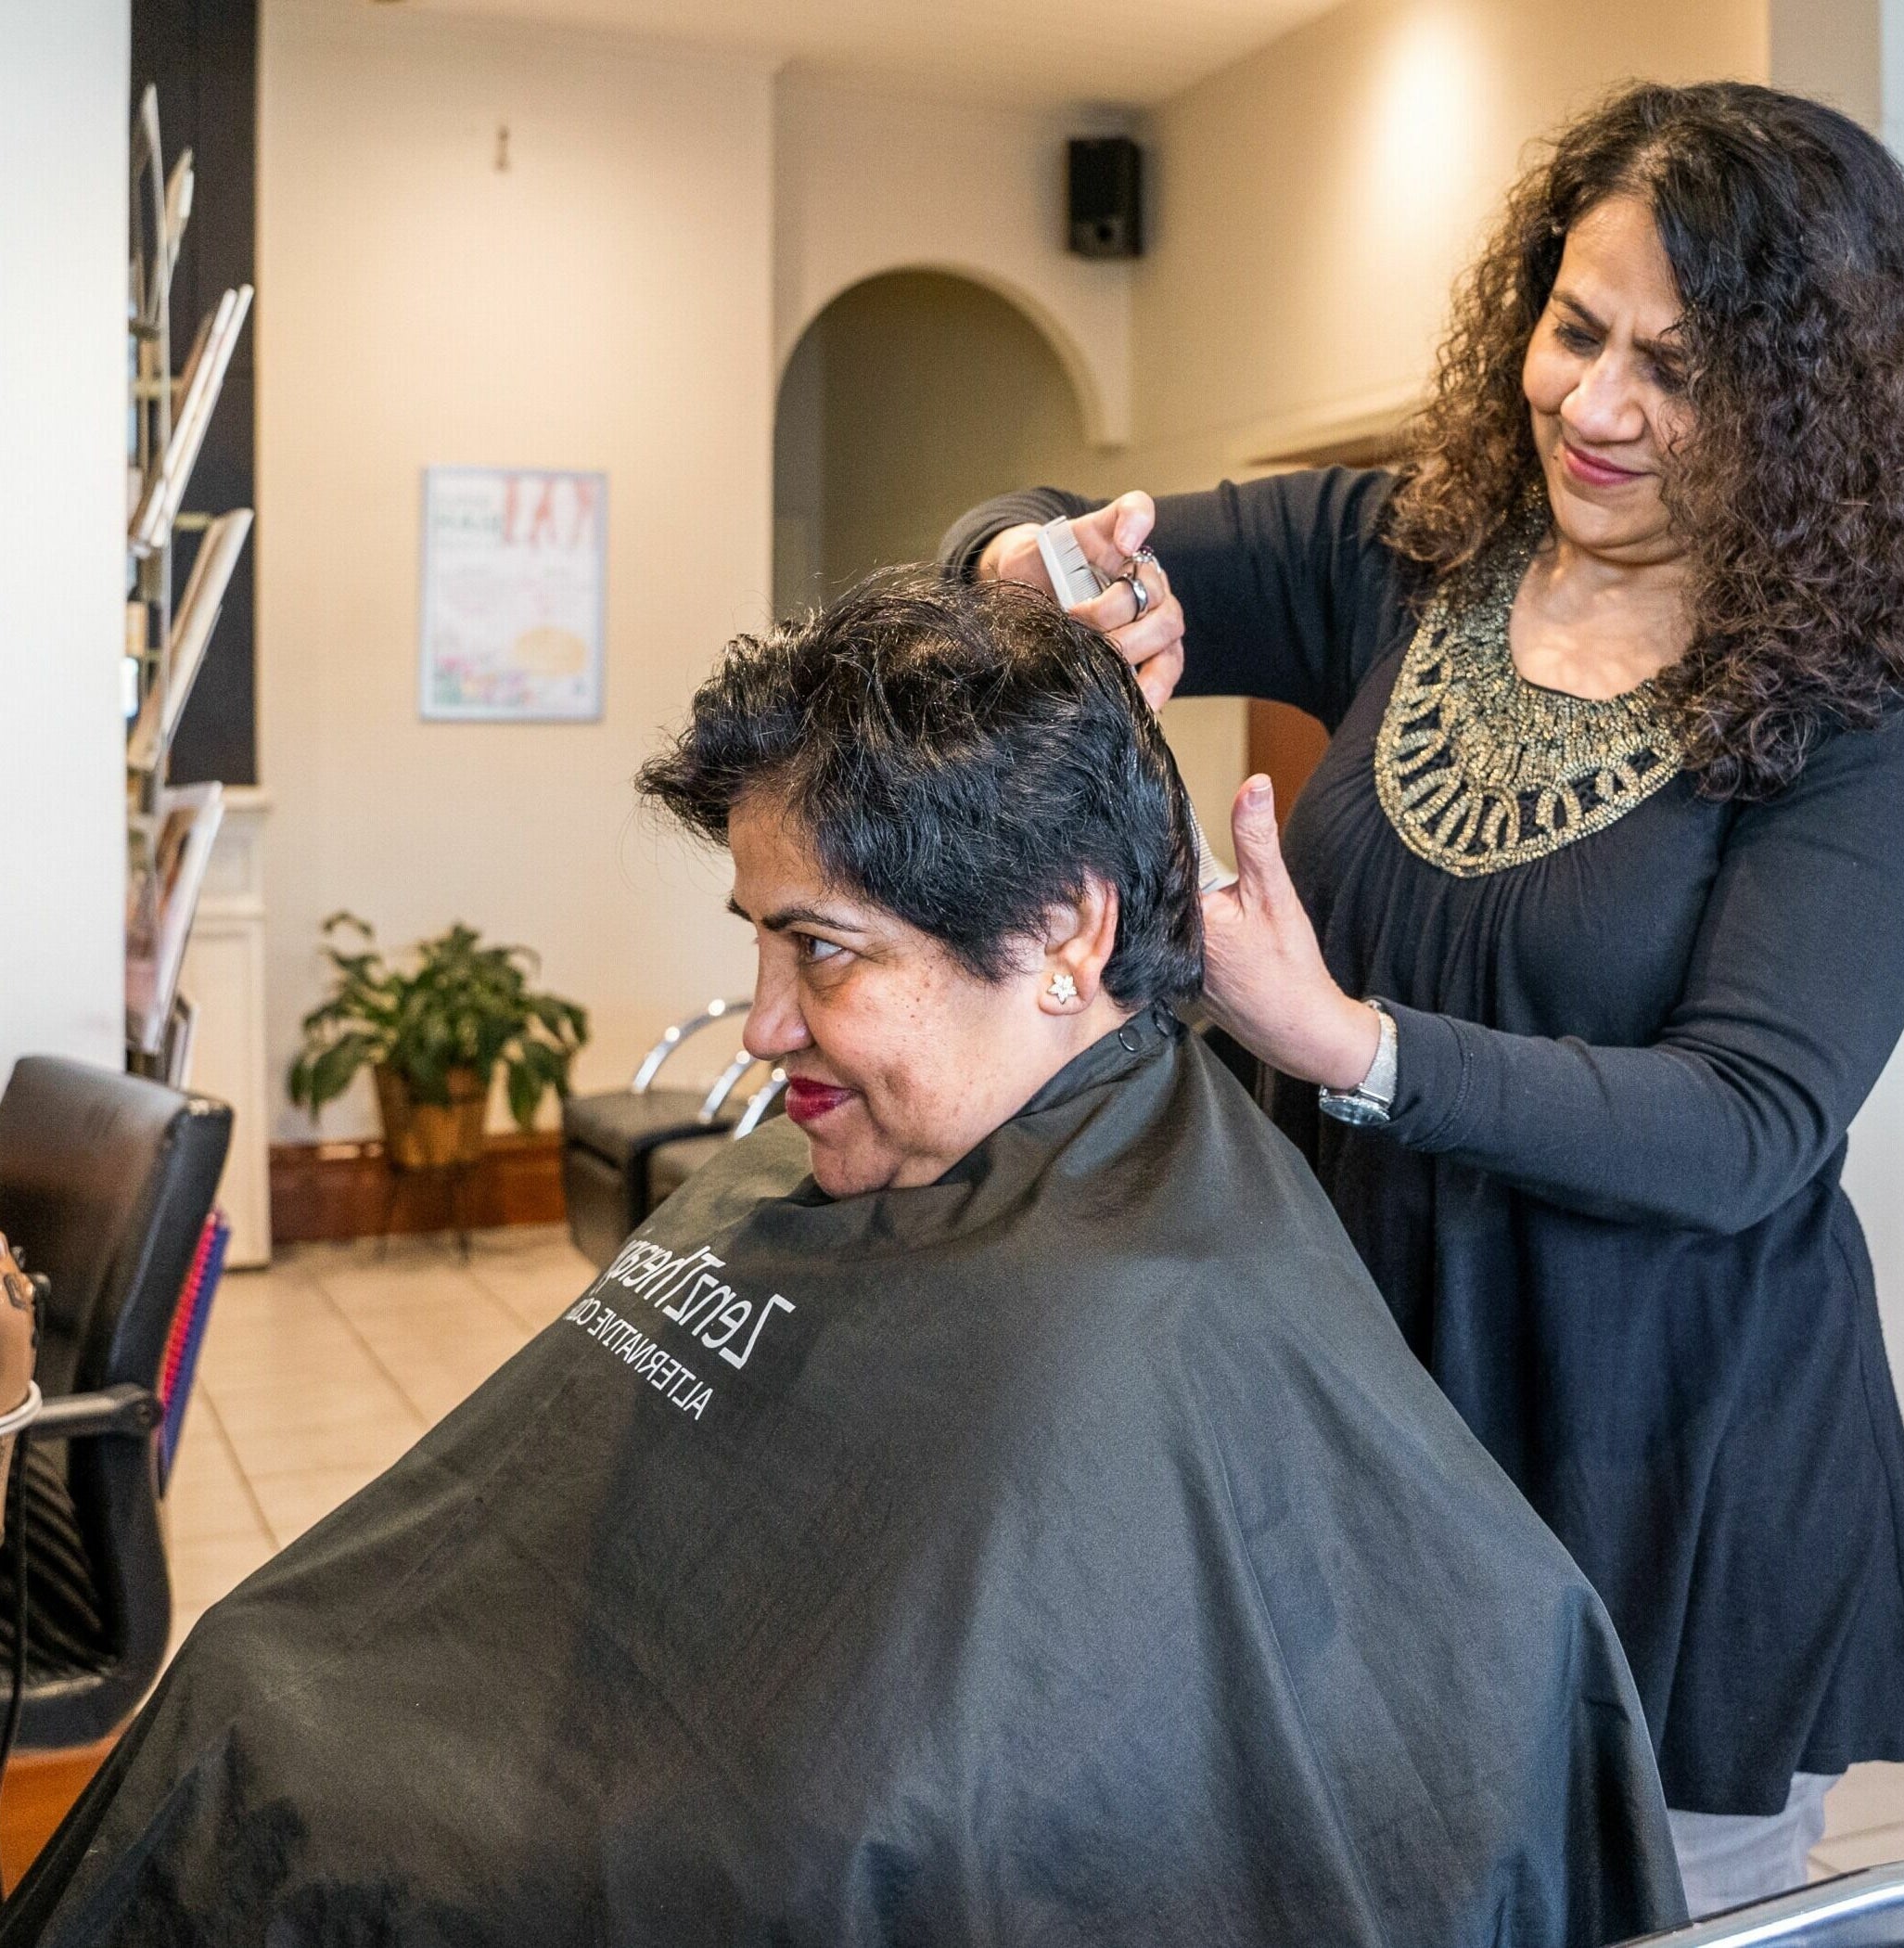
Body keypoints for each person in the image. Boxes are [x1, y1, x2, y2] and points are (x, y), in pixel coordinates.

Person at [2, 572, 1685, 1947]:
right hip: (424, 1755)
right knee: (248, 1687)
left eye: (824, 952)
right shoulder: (810, 1174)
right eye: (760, 941)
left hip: (609, 1848)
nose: (760, 1026)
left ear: (1064, 933)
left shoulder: (1151, 1319)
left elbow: (888, 1824)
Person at [946, 80, 1904, 1914]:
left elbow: (1746, 1125)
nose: (1595, 405)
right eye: (1575, 330)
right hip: (1360, 1423)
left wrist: (1343, 1043)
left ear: (1804, 403)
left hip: (1662, 1470)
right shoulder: (1402, 552)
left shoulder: (1859, 706)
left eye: (1676, 369)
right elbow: (1030, 523)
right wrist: (1049, 580)